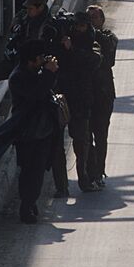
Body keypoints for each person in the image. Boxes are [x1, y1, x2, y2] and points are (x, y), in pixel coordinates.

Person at [9, 39, 60, 224]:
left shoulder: (34, 72)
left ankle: (29, 202)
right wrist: (47, 73)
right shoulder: (19, 77)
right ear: (31, 60)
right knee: (31, 171)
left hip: (42, 131)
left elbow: (46, 89)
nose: (42, 61)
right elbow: (37, 95)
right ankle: (27, 205)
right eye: (39, 58)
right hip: (28, 133)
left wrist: (49, 72)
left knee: (37, 170)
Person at [57, 12, 102, 193]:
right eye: (76, 26)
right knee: (56, 146)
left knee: (82, 141)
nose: (78, 30)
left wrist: (71, 49)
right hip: (62, 97)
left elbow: (92, 60)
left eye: (82, 26)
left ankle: (87, 178)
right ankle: (62, 186)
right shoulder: (65, 41)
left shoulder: (94, 43)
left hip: (81, 100)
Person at [86, 5, 118, 186]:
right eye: (88, 18)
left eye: (94, 18)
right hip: (85, 94)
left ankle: (98, 172)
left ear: (102, 20)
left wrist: (93, 34)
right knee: (85, 136)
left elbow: (109, 58)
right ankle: (90, 170)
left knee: (100, 135)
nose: (91, 22)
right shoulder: (80, 38)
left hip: (103, 94)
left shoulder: (108, 37)